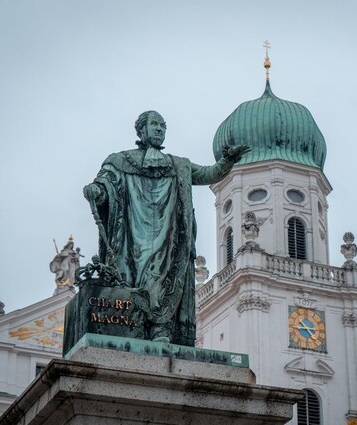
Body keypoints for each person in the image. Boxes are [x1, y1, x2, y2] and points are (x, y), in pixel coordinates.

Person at [83, 111, 249, 345]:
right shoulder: (119, 161)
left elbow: (209, 174)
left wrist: (227, 161)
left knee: (163, 278)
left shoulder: (178, 165)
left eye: (163, 126)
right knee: (130, 276)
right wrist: (97, 191)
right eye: (154, 125)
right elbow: (104, 184)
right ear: (141, 130)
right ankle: (132, 324)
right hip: (132, 233)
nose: (160, 129)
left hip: (168, 234)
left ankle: (161, 329)